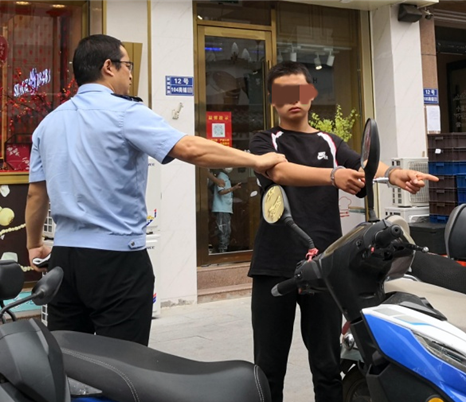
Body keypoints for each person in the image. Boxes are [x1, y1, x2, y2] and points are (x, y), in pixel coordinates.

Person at [24, 34, 286, 346]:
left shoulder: (48, 123)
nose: (130, 74)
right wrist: (256, 160)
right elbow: (190, 149)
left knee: (69, 355)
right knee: (123, 361)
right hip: (117, 259)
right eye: (127, 65)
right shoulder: (126, 113)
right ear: (108, 67)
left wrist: (34, 244)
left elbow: (36, 194)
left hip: (64, 259)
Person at [248, 61, 438, 402]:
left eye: (300, 91)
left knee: (327, 366)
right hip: (274, 267)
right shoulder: (264, 141)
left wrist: (393, 174)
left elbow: (364, 166)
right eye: (284, 93)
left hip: (325, 271)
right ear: (272, 100)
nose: (293, 100)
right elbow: (280, 172)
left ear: (311, 95)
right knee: (268, 371)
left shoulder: (330, 143)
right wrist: (333, 176)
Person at [212, 167, 241, 253]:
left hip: (225, 208)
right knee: (223, 231)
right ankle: (222, 253)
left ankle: (222, 251)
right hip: (222, 208)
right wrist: (233, 188)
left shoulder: (225, 176)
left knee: (225, 231)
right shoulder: (221, 176)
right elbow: (221, 192)